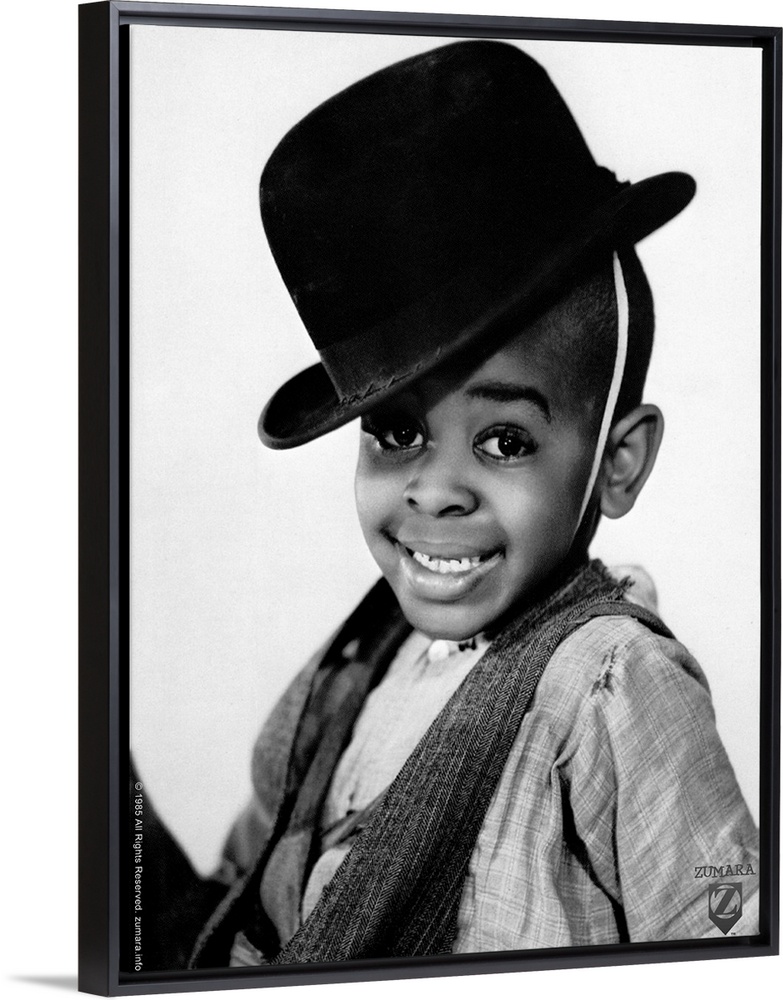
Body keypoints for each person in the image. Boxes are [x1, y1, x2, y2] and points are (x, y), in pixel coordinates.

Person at [133, 39, 759, 972]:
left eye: (504, 441)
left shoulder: (609, 684)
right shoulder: (353, 671)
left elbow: (733, 955)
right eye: (394, 432)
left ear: (616, 463)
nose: (432, 488)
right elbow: (234, 926)